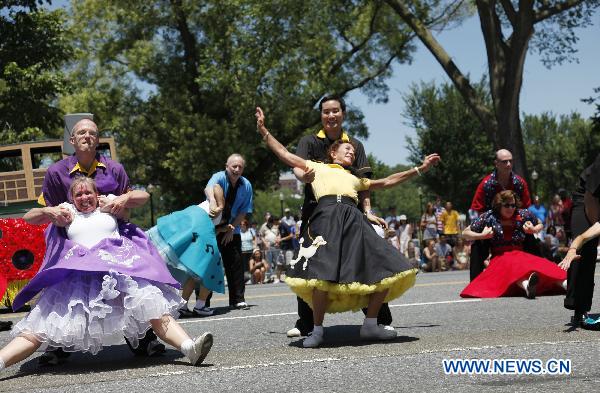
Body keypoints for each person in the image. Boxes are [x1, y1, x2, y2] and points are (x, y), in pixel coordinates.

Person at [256, 106, 440, 347]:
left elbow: (386, 181)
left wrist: (420, 169)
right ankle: (317, 330)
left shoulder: (355, 178)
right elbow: (284, 154)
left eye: (353, 151)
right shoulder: (317, 167)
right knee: (321, 275)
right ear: (333, 153)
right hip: (326, 218)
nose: (352, 152)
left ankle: (371, 325)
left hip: (354, 220)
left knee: (386, 267)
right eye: (347, 149)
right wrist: (264, 131)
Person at [0, 178, 213, 373]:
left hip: (118, 274)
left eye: (88, 193)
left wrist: (124, 198)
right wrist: (49, 211)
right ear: (72, 198)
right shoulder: (67, 212)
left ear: (96, 194)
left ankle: (190, 349)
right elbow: (29, 217)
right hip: (78, 281)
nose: (84, 198)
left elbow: (143, 197)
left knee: (156, 313)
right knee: (38, 329)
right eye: (79, 194)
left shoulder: (109, 205)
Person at [36, 118, 162, 363]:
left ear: (97, 140)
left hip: (111, 241)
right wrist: (53, 215)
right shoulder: (55, 172)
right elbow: (46, 211)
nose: (87, 136)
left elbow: (131, 205)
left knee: (129, 287)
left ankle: (145, 339)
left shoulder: (114, 169)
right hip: (72, 244)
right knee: (64, 293)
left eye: (92, 133)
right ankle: (56, 345)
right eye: (81, 132)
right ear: (72, 140)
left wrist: (123, 202)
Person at [284, 95, 394, 339]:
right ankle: (306, 323)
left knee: (368, 259)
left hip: (349, 211)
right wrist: (302, 177)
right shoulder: (309, 142)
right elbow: (296, 165)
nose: (331, 116)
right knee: (309, 263)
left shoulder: (354, 144)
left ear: (343, 113)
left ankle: (377, 319)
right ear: (321, 116)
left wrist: (368, 211)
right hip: (316, 211)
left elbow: (365, 184)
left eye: (335, 111)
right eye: (326, 112)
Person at [460, 190, 566, 299]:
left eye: (513, 205)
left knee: (542, 265)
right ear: (499, 205)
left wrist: (533, 229)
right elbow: (465, 233)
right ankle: (527, 286)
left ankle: (565, 284)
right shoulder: (489, 216)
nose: (511, 208)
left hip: (520, 254)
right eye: (507, 205)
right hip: (500, 257)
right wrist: (482, 235)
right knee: (512, 265)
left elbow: (539, 223)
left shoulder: (522, 214)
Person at [146, 185, 226, 318]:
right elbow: (214, 186)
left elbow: (209, 229)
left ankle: (183, 306)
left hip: (196, 222)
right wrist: (218, 205)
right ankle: (200, 306)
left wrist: (221, 229)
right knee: (212, 266)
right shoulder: (222, 184)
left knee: (194, 271)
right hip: (197, 221)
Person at [469, 149, 532, 281]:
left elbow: (526, 209)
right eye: (504, 162)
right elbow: (477, 209)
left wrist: (529, 225)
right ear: (496, 163)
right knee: (477, 246)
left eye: (511, 161)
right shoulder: (486, 184)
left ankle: (539, 279)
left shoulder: (519, 183)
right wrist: (482, 231)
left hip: (516, 227)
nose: (508, 164)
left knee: (534, 243)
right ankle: (475, 284)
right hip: (491, 228)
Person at [205, 154, 253, 310]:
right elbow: (209, 188)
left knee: (236, 264)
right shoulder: (218, 177)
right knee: (208, 264)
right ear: (227, 166)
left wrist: (231, 228)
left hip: (233, 228)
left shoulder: (246, 185)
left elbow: (243, 211)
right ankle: (203, 303)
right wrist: (212, 200)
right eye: (234, 166)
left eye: (240, 167)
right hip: (212, 227)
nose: (237, 169)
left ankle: (237, 299)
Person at [561, 154, 600, 328]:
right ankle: (580, 309)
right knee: (586, 249)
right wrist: (574, 247)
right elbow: (590, 198)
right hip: (586, 196)